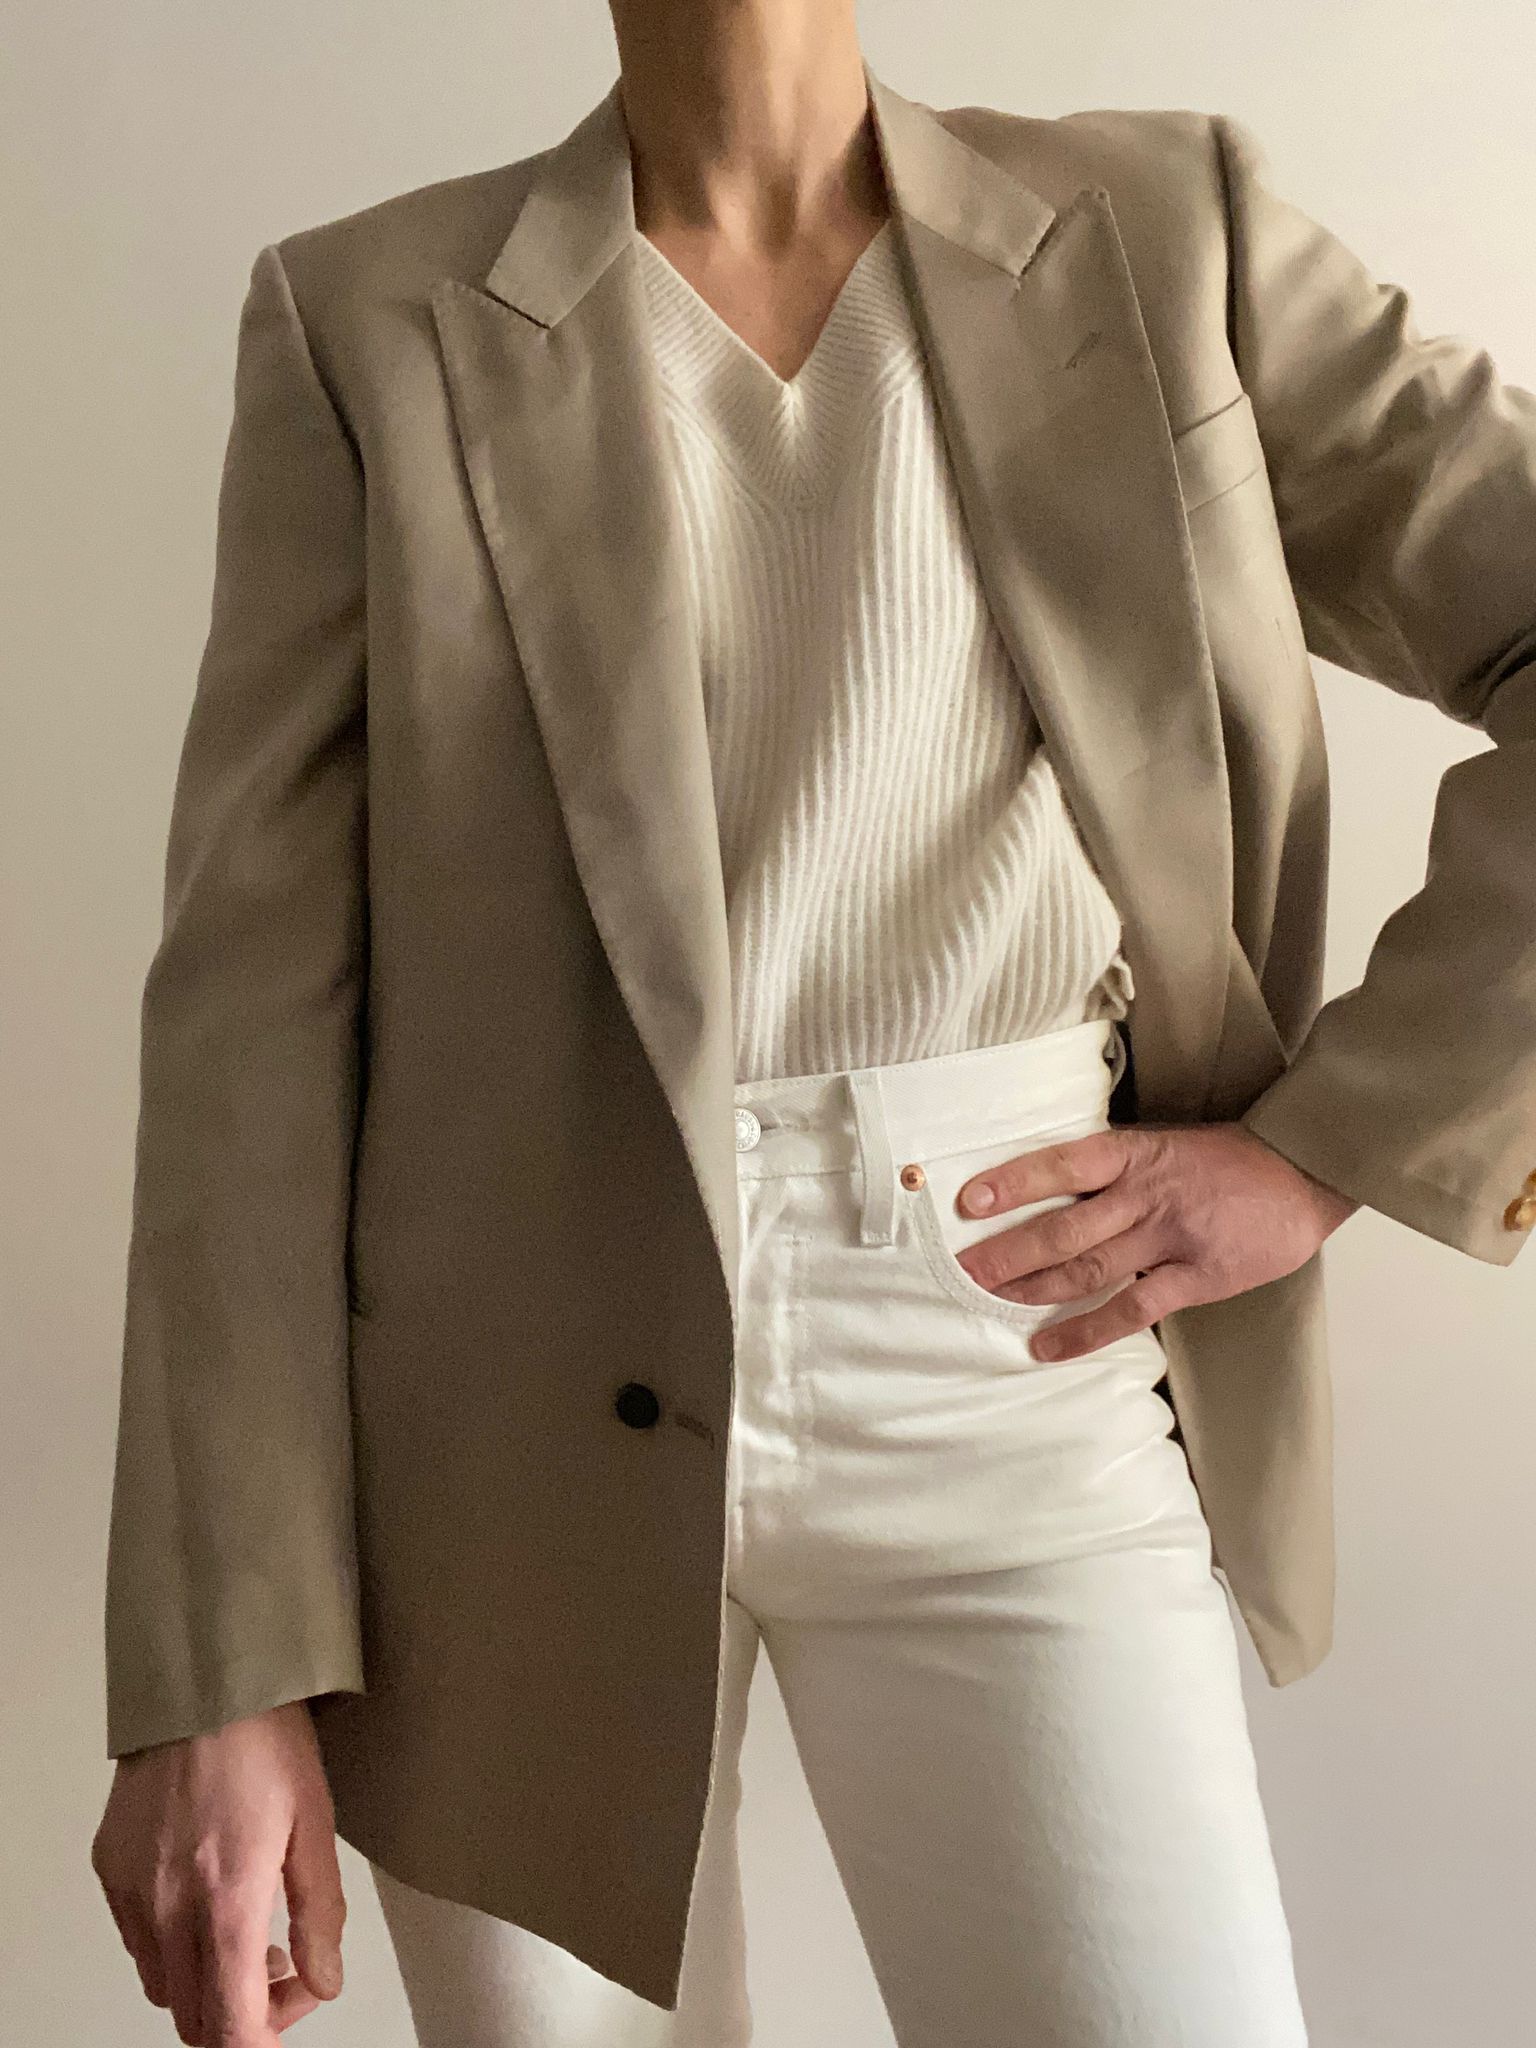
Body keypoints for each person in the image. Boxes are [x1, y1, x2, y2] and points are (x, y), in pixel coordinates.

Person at [91, 3, 1536, 2045]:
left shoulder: (1163, 228)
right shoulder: (370, 322)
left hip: (1017, 1337)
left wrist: (1334, 1146)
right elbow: (248, 1020)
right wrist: (219, 1667)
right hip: (488, 1433)